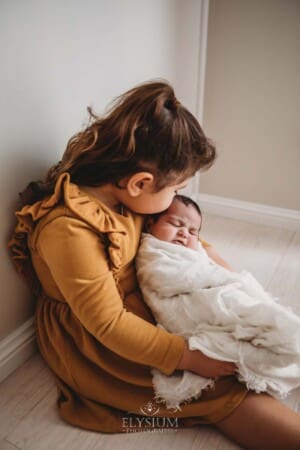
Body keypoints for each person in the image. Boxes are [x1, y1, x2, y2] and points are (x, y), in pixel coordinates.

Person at [7, 80, 300, 449]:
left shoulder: (127, 193)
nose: (174, 199)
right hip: (103, 338)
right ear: (140, 183)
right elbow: (109, 323)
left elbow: (194, 242)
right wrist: (186, 357)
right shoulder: (69, 231)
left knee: (249, 337)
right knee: (218, 388)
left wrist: (228, 281)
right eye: (174, 190)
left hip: (148, 296)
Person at [136, 195, 300, 410]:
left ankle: (287, 346)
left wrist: (232, 283)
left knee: (264, 318)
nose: (184, 233)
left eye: (193, 231)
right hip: (190, 310)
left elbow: (214, 266)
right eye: (175, 223)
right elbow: (161, 277)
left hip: (218, 295)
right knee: (247, 347)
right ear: (151, 223)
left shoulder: (194, 250)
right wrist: (226, 280)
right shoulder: (152, 251)